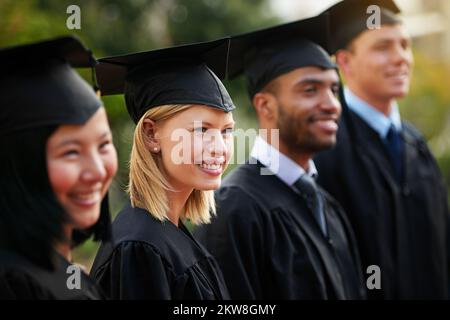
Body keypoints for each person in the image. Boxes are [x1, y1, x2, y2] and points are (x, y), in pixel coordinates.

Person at [194, 17, 365, 299]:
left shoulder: (327, 205)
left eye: (334, 89)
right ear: (265, 105)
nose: (332, 105)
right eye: (310, 89)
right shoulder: (234, 209)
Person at [314, 0, 450, 299]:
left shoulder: (417, 145)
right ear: (345, 63)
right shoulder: (325, 149)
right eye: (383, 47)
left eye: (405, 45)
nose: (401, 58)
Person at [90, 38, 235, 300]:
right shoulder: (140, 248)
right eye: (202, 130)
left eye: (227, 131)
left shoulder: (169, 231)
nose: (220, 148)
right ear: (151, 134)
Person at [0, 36, 118, 300]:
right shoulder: (16, 285)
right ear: (19, 165)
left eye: (103, 145)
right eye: (71, 152)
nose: (97, 171)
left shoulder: (56, 272)